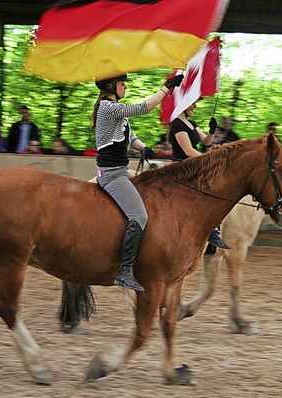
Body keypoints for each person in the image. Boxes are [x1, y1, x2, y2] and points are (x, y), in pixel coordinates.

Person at [93, 73, 183, 291]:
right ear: (112, 86)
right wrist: (167, 87)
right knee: (140, 215)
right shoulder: (108, 107)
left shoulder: (117, 113)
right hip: (112, 175)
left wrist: (144, 148)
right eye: (122, 84)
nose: (125, 88)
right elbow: (144, 107)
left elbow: (130, 137)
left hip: (122, 171)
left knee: (154, 192)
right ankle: (124, 270)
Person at [168, 101, 229, 250]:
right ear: (184, 105)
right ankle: (210, 231)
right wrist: (210, 160)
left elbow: (206, 141)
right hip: (183, 167)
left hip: (195, 165)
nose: (194, 106)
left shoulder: (191, 123)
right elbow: (188, 151)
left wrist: (212, 131)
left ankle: (213, 230)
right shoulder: (176, 124)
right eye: (192, 104)